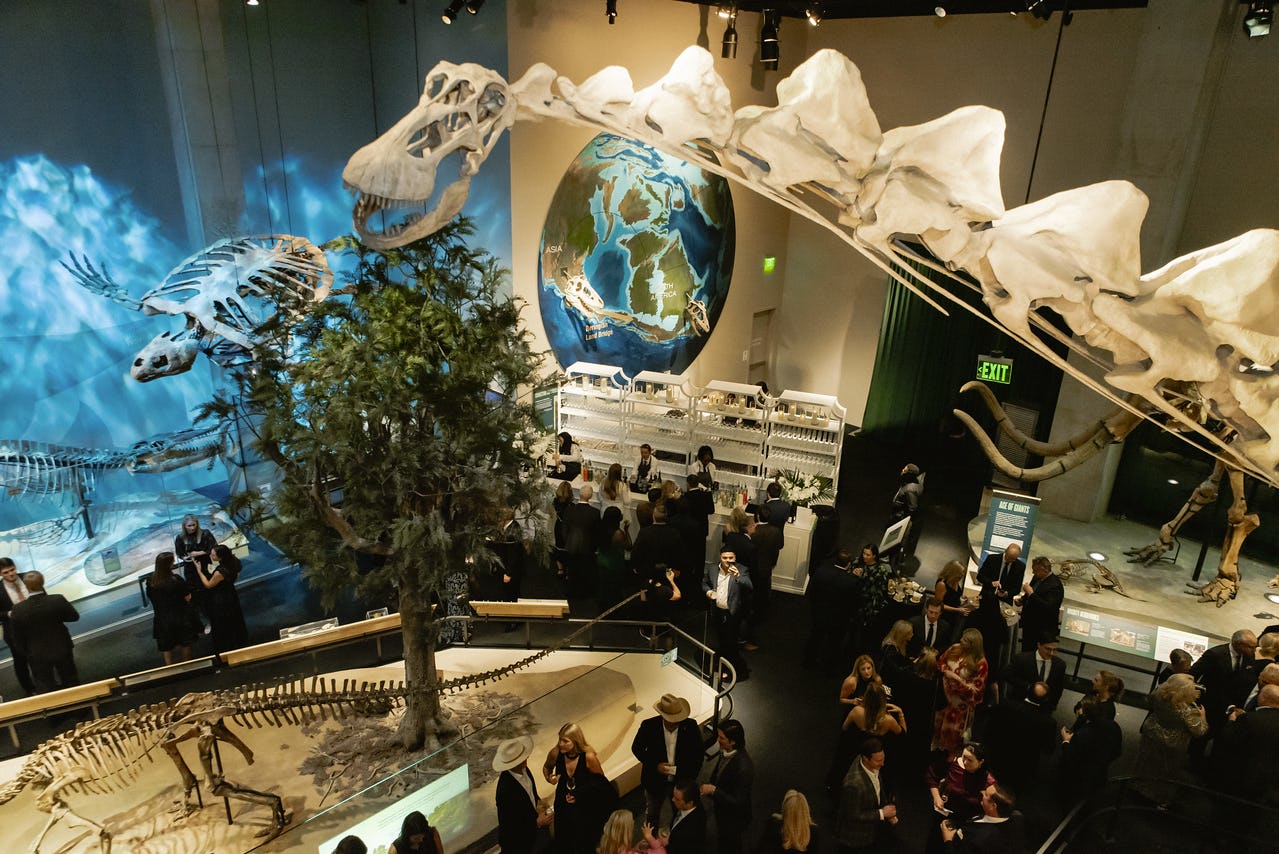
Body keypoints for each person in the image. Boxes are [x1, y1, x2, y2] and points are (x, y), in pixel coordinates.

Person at [1132, 673, 1209, 807]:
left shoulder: (1157, 694)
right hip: (1173, 743)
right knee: (1167, 771)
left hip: (1151, 732)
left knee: (1146, 762)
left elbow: (1150, 701)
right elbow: (1200, 731)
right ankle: (1161, 799)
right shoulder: (1187, 711)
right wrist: (1203, 716)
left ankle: (1138, 787)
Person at [631, 693, 703, 827]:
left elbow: (698, 756)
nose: (675, 723)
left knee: (680, 813)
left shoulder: (691, 726)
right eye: (671, 719)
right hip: (654, 781)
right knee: (652, 813)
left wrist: (689, 779)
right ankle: (651, 840)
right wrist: (655, 766)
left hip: (680, 782)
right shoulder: (649, 726)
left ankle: (675, 836)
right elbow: (636, 748)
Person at [544, 722, 616, 854]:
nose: (560, 743)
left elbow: (602, 785)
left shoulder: (589, 758)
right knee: (564, 841)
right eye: (559, 739)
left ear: (575, 741)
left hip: (584, 806)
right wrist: (549, 778)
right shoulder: (555, 753)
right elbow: (546, 768)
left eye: (565, 741)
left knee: (584, 841)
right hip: (562, 804)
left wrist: (580, 794)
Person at [8, 571, 79, 694]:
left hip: (36, 653)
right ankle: (80, 710)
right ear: (43, 583)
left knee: (45, 686)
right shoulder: (58, 599)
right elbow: (74, 617)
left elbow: (17, 637)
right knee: (70, 680)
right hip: (62, 647)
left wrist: (27, 653)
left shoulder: (18, 609)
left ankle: (54, 712)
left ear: (26, 585)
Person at [925, 742, 997, 853]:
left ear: (981, 762)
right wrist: (937, 797)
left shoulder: (988, 782)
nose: (964, 762)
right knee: (934, 846)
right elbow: (931, 776)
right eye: (964, 757)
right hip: (944, 814)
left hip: (966, 824)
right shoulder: (954, 763)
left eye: (970, 760)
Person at [986, 682, 1055, 795]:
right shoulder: (1048, 722)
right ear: (1045, 700)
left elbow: (990, 729)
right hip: (1024, 766)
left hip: (998, 757)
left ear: (1028, 691)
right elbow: (1048, 749)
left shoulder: (1005, 705)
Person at [835, 737, 898, 854]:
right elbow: (852, 815)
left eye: (883, 759)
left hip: (871, 831)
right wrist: (882, 813)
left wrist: (887, 810)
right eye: (878, 761)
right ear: (865, 759)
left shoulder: (872, 766)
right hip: (855, 838)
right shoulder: (853, 785)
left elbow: (879, 790)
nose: (883, 764)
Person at [1190, 629, 1258, 735]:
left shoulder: (1249, 655)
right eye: (1251, 647)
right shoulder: (1214, 655)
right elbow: (1192, 675)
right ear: (1238, 644)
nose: (1254, 650)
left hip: (1231, 709)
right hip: (1210, 707)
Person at [701, 719, 753, 854]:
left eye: (722, 738)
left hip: (733, 818)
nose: (718, 740)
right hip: (723, 811)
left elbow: (738, 802)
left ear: (733, 741)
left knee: (731, 844)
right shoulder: (726, 751)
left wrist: (714, 790)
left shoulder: (744, 768)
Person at [932, 630, 988, 757]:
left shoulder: (981, 663)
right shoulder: (955, 648)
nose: (961, 640)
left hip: (960, 710)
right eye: (962, 637)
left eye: (965, 640)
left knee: (952, 745)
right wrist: (949, 676)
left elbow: (977, 694)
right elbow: (940, 664)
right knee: (935, 737)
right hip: (942, 700)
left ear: (973, 644)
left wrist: (956, 680)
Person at [1057, 694, 1122, 801]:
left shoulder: (1083, 734)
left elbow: (1070, 758)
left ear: (1085, 713)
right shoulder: (1114, 726)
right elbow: (1117, 751)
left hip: (1078, 778)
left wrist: (1066, 741)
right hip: (1100, 773)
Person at [494, 735, 552, 854]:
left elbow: (532, 795)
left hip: (535, 835)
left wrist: (542, 809)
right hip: (519, 845)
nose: (527, 758)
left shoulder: (525, 770)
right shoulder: (505, 792)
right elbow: (511, 827)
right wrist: (537, 823)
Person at [704, 548, 753, 681]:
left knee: (731, 642)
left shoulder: (742, 570)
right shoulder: (713, 568)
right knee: (721, 639)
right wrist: (708, 591)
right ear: (720, 557)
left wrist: (737, 577)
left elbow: (749, 586)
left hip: (732, 613)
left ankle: (728, 669)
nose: (728, 561)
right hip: (717, 611)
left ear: (735, 558)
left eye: (731, 558)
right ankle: (722, 663)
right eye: (725, 558)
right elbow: (705, 583)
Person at [806, 549, 857, 675]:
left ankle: (808, 661)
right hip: (838, 619)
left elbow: (812, 591)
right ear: (849, 564)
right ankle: (827, 667)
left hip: (819, 613)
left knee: (815, 637)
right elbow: (853, 603)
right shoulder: (851, 582)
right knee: (833, 643)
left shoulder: (821, 572)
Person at [937, 784, 1025, 852]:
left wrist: (948, 840)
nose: (982, 792)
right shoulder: (1015, 816)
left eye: (986, 794)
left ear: (993, 806)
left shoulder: (981, 839)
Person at [146, 551, 198, 665]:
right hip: (180, 616)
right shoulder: (176, 579)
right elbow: (188, 597)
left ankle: (169, 667)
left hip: (162, 618)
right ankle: (187, 666)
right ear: (169, 564)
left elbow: (150, 597)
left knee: (167, 645)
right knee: (185, 642)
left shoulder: (150, 581)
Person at [975, 544, 1023, 666]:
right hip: (987, 599)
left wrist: (1007, 593)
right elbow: (980, 577)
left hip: (1004, 604)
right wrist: (991, 583)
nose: (1009, 561)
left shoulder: (1020, 566)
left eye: (1013, 559)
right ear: (1005, 551)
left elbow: (1016, 588)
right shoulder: (992, 559)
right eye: (1008, 557)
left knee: (997, 634)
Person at [198, 544, 249, 653]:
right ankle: (240, 642)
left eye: (213, 555)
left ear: (220, 557)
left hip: (220, 599)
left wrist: (199, 572)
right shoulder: (234, 561)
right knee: (235, 619)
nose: (211, 556)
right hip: (231, 594)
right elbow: (237, 573)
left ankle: (226, 647)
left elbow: (208, 585)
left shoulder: (220, 571)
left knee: (222, 622)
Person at [1001, 634, 1065, 712]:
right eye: (1048, 649)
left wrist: (1053, 705)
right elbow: (1007, 674)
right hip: (1021, 704)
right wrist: (1028, 686)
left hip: (1044, 708)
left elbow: (1059, 687)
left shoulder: (1060, 664)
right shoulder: (1022, 659)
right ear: (1039, 645)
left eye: (1055, 650)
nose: (1051, 653)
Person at [0, 557, 35, 695]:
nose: (10, 574)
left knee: (40, 655)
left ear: (15, 567)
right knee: (21, 661)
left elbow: (42, 596)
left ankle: (48, 685)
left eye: (12, 570)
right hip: (14, 631)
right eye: (6, 572)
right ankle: (29, 689)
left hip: (36, 626)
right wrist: (9, 613)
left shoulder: (29, 578)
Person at [174, 514, 217, 626]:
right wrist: (186, 557)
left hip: (205, 565)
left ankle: (215, 617)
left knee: (208, 590)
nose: (192, 528)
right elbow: (179, 553)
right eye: (189, 526)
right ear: (184, 526)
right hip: (190, 568)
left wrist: (198, 553)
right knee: (195, 595)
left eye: (194, 525)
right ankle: (205, 621)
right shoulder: (180, 538)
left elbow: (213, 548)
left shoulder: (205, 533)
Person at [1014, 556, 1063, 653]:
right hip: (1029, 623)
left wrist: (1031, 594)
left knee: (1035, 652)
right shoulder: (1037, 577)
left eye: (1035, 570)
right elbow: (1032, 592)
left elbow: (1048, 607)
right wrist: (1022, 600)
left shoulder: (1055, 585)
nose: (1033, 573)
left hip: (1041, 627)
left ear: (1044, 570)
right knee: (1026, 649)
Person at [850, 544, 891, 657]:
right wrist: (853, 573)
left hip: (868, 605)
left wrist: (862, 576)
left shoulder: (880, 570)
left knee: (865, 632)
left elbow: (878, 588)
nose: (864, 556)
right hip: (855, 601)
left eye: (868, 554)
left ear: (874, 555)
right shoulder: (857, 562)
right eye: (864, 553)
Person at [562, 485, 601, 598]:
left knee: (572, 569)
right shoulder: (594, 513)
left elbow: (564, 528)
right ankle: (583, 593)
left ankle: (571, 591)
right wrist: (593, 547)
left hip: (571, 544)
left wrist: (567, 541)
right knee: (584, 570)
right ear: (590, 496)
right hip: (587, 547)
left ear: (579, 494)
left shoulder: (570, 509)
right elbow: (596, 532)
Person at [755, 789, 820, 854]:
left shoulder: (775, 828)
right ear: (805, 811)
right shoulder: (813, 832)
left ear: (785, 811)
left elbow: (763, 850)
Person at [595, 506, 633, 613]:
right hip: (613, 563)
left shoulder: (600, 527)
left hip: (602, 559)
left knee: (604, 586)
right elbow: (629, 546)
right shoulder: (618, 534)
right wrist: (626, 530)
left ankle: (603, 607)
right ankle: (613, 610)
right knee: (614, 588)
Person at [488, 507, 526, 604]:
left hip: (511, 571)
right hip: (509, 568)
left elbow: (513, 554)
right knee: (510, 594)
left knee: (512, 594)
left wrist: (508, 573)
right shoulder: (511, 527)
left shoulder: (512, 531)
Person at [596, 809, 665, 854]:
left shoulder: (607, 844)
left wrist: (636, 848)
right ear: (626, 832)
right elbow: (661, 852)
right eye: (632, 824)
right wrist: (650, 838)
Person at [665, 779, 707, 854]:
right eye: (673, 795)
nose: (672, 800)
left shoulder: (690, 829)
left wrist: (667, 843)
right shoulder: (691, 805)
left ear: (690, 803)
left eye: (677, 799)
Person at [879, 620, 914, 689]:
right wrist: (911, 664)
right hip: (888, 684)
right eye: (910, 633)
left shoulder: (900, 645)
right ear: (903, 635)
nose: (912, 634)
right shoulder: (890, 649)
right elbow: (895, 671)